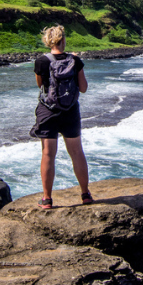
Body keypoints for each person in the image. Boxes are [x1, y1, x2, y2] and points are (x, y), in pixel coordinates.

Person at [30, 25, 92, 209]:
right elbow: (83, 88)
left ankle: (47, 199)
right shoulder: (75, 61)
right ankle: (85, 194)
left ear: (48, 40)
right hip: (70, 111)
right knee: (77, 153)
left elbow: (40, 85)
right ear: (63, 40)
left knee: (48, 154)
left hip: (48, 112)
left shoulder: (41, 61)